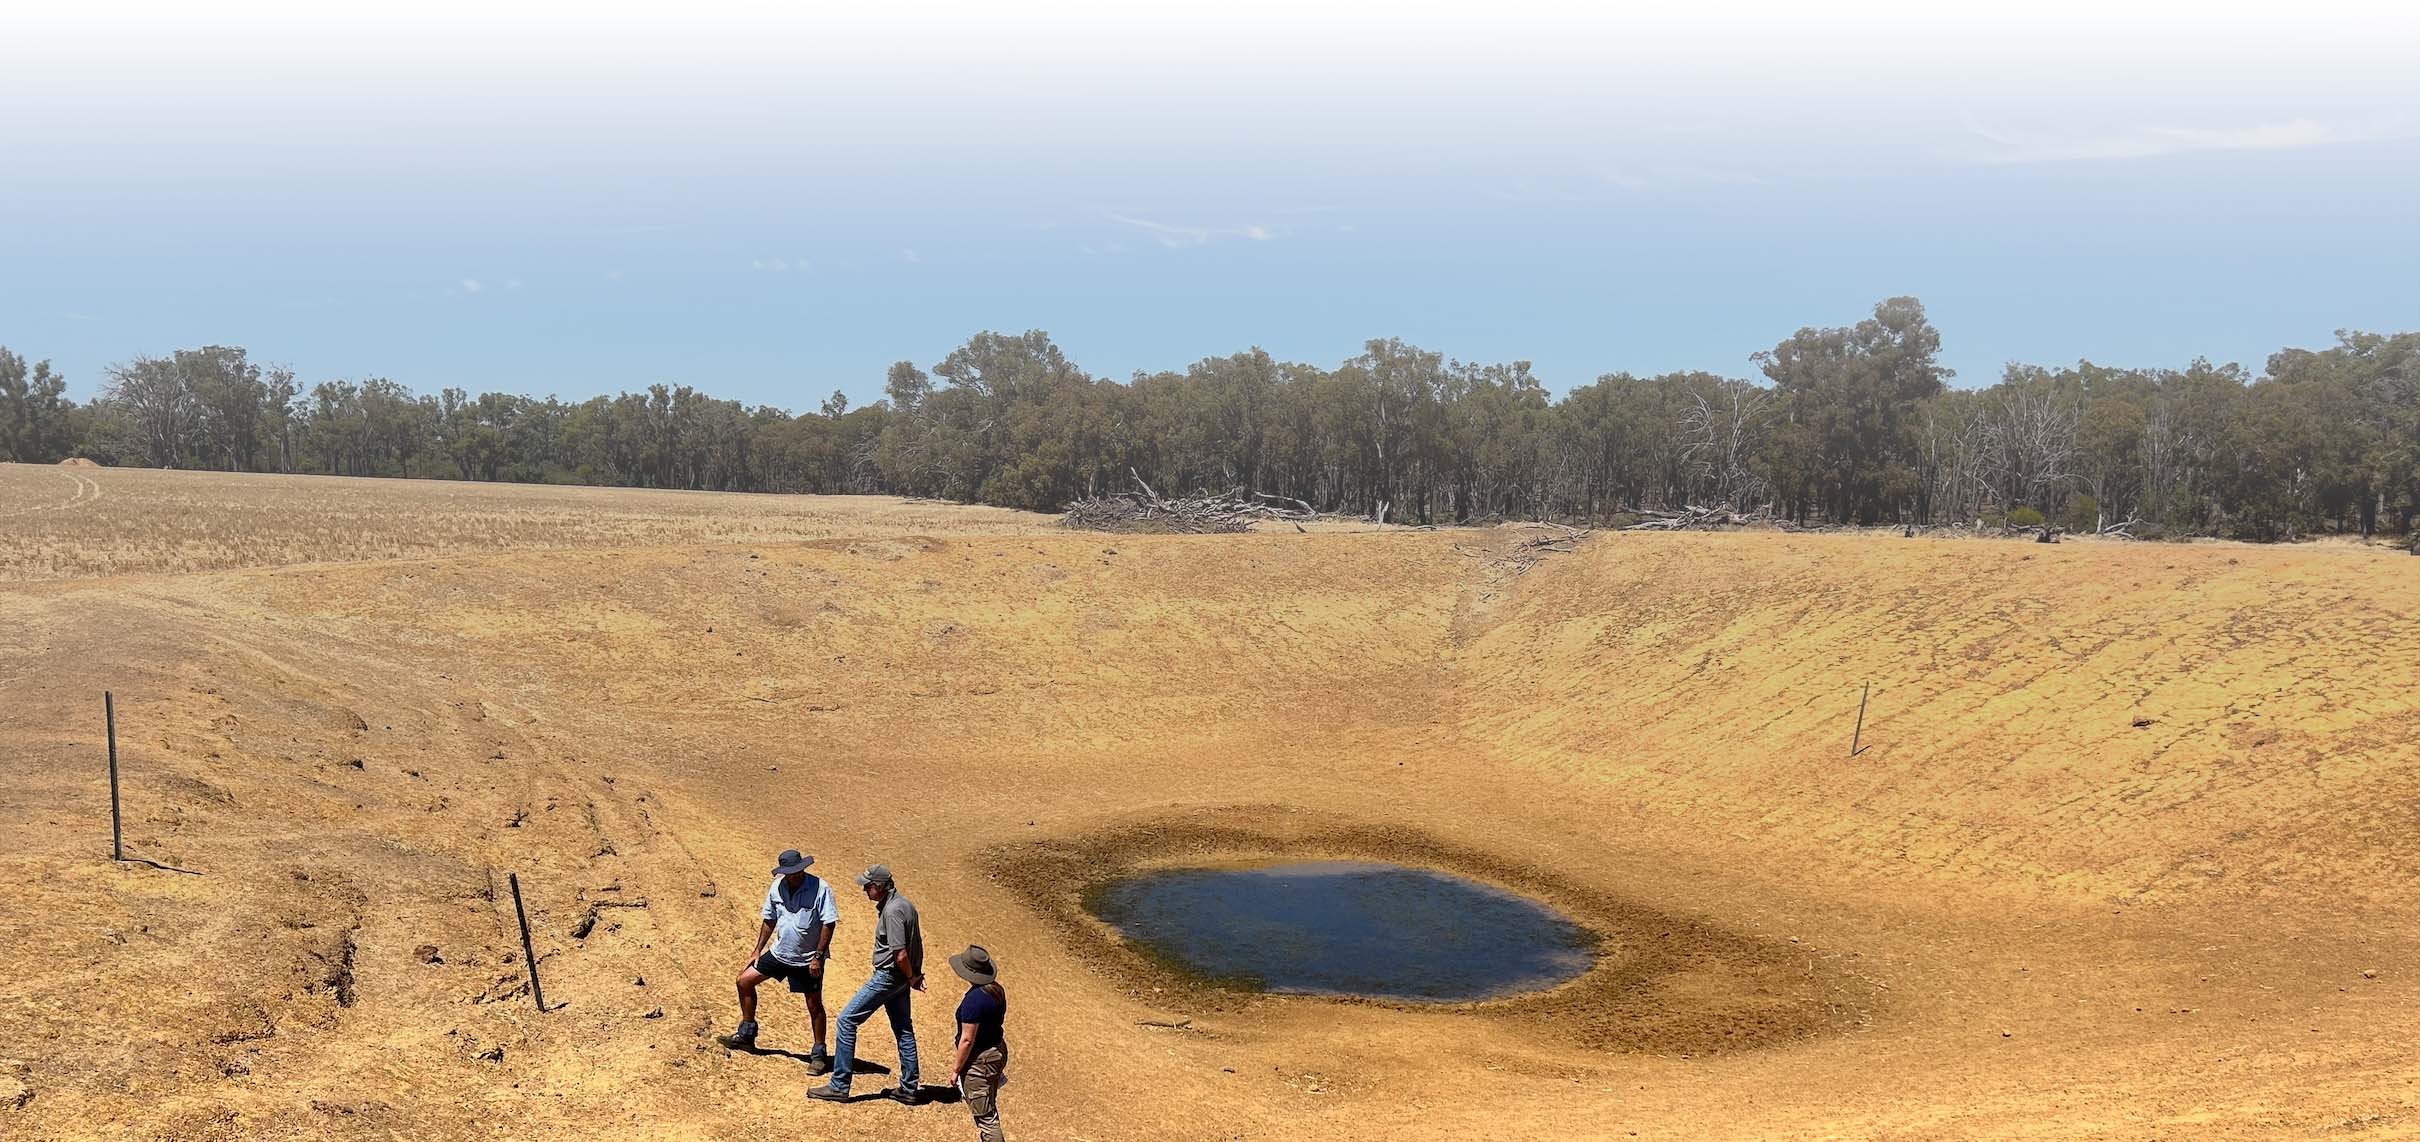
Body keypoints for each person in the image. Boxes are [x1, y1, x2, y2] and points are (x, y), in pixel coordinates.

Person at [808, 864, 923, 1104]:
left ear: (880, 887)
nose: (865, 891)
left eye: (868, 886)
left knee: (847, 1020)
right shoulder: (906, 905)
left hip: (889, 976)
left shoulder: (892, 912)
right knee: (903, 1029)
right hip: (901, 978)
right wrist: (913, 975)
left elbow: (900, 954)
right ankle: (909, 1088)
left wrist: (912, 977)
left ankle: (839, 1085)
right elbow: (916, 946)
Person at [718, 849, 840, 1074]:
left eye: (797, 871)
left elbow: (829, 923)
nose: (794, 876)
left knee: (814, 1005)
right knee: (744, 981)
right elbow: (769, 919)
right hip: (779, 953)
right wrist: (757, 951)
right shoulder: (777, 888)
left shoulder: (820, 888)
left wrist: (818, 956)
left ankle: (819, 1053)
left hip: (807, 960)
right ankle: (747, 1033)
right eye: (789, 873)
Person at [947, 945, 1010, 1142]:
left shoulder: (973, 1002)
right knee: (988, 1104)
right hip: (996, 1051)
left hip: (979, 1062)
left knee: (985, 1117)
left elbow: (967, 1040)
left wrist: (956, 1070)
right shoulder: (996, 990)